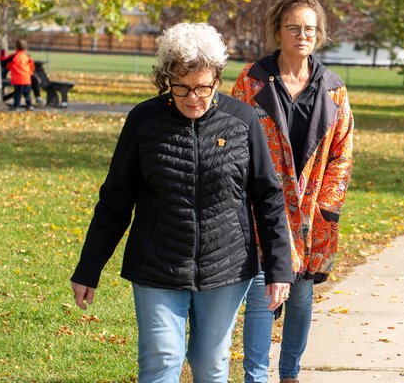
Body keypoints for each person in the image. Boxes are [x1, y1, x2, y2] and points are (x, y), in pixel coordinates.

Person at [69, 22, 294, 383]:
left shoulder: (243, 120)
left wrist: (280, 268)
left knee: (211, 364)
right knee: (162, 359)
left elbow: (267, 197)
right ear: (166, 81)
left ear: (218, 79)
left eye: (203, 87)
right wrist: (88, 269)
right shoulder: (144, 120)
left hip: (227, 266)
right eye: (181, 87)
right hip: (158, 265)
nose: (193, 98)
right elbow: (115, 200)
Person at [231, 0, 354, 382]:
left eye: (310, 30)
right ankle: (256, 376)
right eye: (294, 28)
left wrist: (328, 206)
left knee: (301, 294)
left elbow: (342, 152)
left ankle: (290, 373)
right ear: (277, 31)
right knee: (263, 292)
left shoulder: (333, 88)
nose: (303, 36)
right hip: (262, 209)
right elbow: (233, 141)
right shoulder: (252, 81)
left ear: (319, 35)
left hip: (313, 213)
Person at [6, 39, 35, 110]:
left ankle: (16, 106)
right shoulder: (27, 56)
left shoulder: (14, 56)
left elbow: (8, 65)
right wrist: (30, 73)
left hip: (17, 79)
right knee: (27, 94)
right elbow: (32, 66)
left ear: (16, 47)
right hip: (26, 79)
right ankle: (29, 105)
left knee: (17, 94)